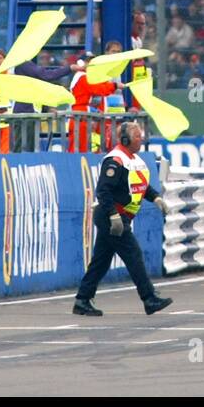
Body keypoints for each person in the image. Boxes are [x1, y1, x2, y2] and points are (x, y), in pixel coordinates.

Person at [74, 121, 173, 317]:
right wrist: (113, 216)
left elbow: (141, 186)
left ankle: (82, 299)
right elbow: (103, 190)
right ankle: (149, 298)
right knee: (133, 254)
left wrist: (156, 198)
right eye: (137, 136)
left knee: (101, 260)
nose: (141, 139)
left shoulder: (135, 160)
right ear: (126, 139)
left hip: (121, 216)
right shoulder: (115, 160)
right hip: (111, 216)